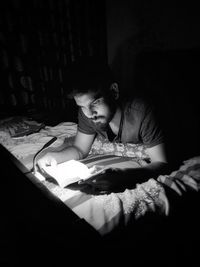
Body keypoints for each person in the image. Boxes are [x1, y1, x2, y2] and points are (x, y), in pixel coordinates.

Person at [37, 57, 169, 194]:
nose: (89, 114)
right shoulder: (87, 113)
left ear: (114, 91)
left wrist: (124, 175)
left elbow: (161, 163)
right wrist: (53, 157)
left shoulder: (142, 111)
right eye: (82, 106)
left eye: (95, 103)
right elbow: (80, 149)